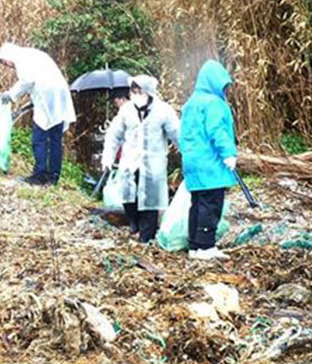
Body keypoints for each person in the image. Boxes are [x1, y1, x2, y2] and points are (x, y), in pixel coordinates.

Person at [101, 75, 180, 242]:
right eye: (134, 91)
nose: (136, 94)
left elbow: (176, 134)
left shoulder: (163, 110)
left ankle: (146, 237)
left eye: (140, 91)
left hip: (153, 163)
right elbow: (114, 134)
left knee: (150, 202)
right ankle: (134, 222)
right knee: (128, 197)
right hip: (131, 161)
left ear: (149, 92)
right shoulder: (127, 110)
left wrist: (188, 152)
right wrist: (108, 156)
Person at [179, 60, 237, 261]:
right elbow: (217, 131)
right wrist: (228, 153)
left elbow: (183, 135)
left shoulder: (191, 103)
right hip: (210, 164)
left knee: (197, 203)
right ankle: (206, 246)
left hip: (193, 163)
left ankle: (194, 246)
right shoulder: (213, 103)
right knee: (211, 204)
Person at [0, 42, 76, 186]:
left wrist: (10, 94)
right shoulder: (34, 54)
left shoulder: (21, 58)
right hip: (59, 96)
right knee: (55, 139)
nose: (8, 66)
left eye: (5, 63)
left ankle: (39, 176)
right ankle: (53, 176)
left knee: (39, 139)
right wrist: (31, 103)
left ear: (8, 56)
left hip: (47, 97)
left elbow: (28, 80)